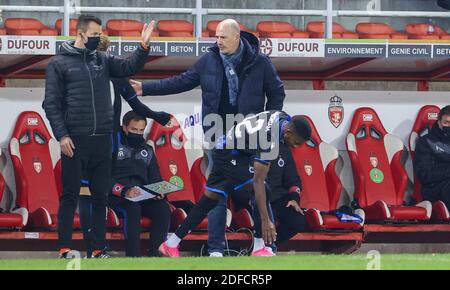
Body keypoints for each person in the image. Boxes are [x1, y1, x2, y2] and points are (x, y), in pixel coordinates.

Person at [130, 18, 285, 258]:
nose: (218, 41)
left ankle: (174, 243)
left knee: (216, 192)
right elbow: (181, 81)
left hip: (249, 137)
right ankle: (230, 249)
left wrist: (267, 124)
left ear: (236, 37)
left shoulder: (260, 63)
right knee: (241, 190)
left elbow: (277, 93)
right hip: (219, 137)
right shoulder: (209, 61)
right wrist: (145, 89)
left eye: (223, 37)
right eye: (216, 36)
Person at [42, 14, 155, 258]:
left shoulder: (103, 60)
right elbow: (50, 104)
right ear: (80, 33)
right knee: (70, 196)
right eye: (94, 35)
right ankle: (64, 248)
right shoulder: (58, 64)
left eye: (100, 34)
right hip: (74, 140)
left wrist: (143, 46)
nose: (98, 38)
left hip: (103, 140)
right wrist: (62, 136)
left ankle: (97, 249)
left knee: (101, 197)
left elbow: (129, 66)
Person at [158, 110, 312, 258]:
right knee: (261, 188)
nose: (295, 147)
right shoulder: (269, 138)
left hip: (227, 149)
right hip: (231, 154)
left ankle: (171, 243)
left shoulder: (283, 117)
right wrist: (266, 221)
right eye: (296, 142)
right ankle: (259, 248)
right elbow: (258, 181)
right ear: (289, 132)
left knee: (209, 201)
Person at [77, 35, 172, 258]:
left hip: (105, 140)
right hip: (87, 140)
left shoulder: (116, 77)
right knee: (89, 192)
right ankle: (95, 250)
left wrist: (157, 116)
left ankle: (148, 254)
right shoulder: (80, 77)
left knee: (97, 192)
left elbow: (135, 103)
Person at [108, 111, 171, 257]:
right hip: (118, 197)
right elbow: (103, 179)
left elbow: (156, 178)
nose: (138, 133)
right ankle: (133, 257)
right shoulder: (111, 146)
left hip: (143, 196)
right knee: (132, 207)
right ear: (124, 127)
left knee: (162, 208)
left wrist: (159, 191)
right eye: (134, 130)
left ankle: (155, 256)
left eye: (141, 130)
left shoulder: (147, 150)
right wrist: (124, 191)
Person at [414, 105, 450, 208]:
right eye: (446, 122)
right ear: (438, 122)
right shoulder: (426, 142)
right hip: (433, 188)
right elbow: (424, 175)